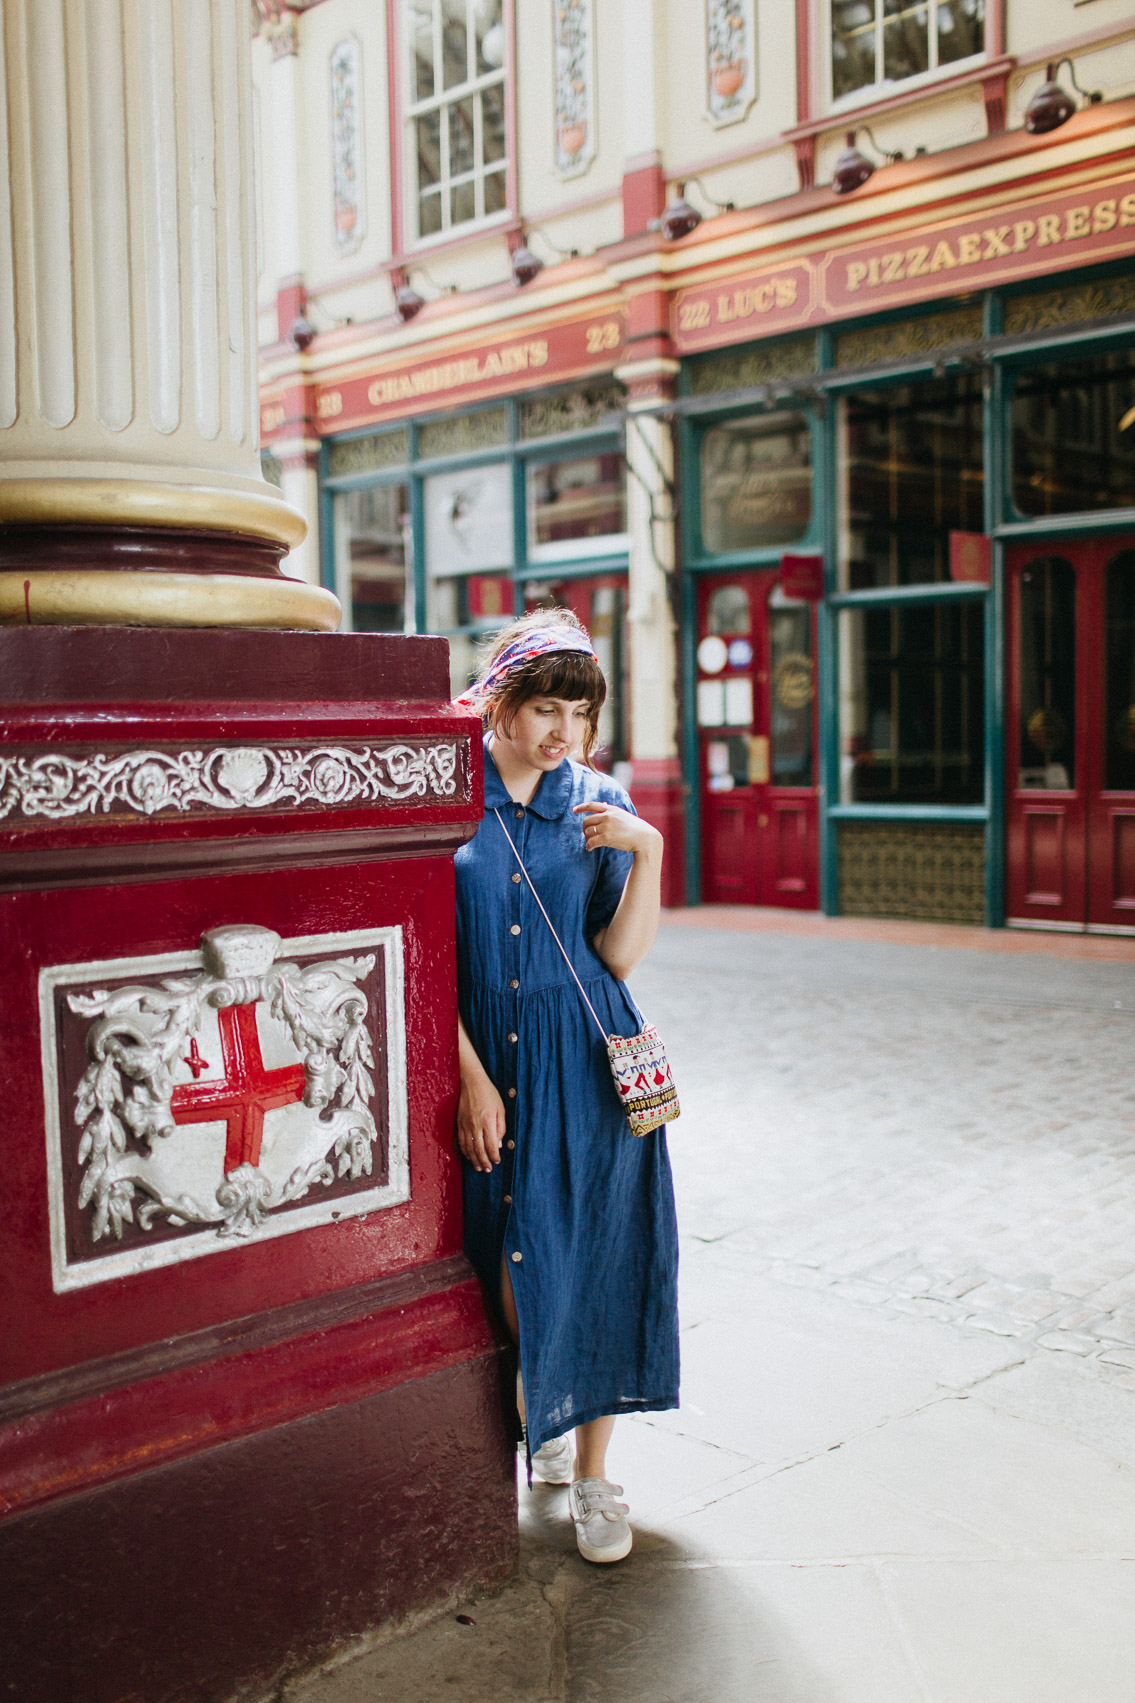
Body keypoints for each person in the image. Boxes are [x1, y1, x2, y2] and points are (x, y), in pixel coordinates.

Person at [453, 610, 679, 1565]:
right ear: (500, 699)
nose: (560, 732)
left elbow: (617, 958)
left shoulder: (595, 800)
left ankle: (590, 1472)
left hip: (584, 1060)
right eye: (543, 707)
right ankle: (536, 1408)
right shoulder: (444, 794)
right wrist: (469, 1079)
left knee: (593, 1251)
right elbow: (422, 952)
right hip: (485, 1061)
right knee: (501, 1256)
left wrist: (647, 848)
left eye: (576, 713)